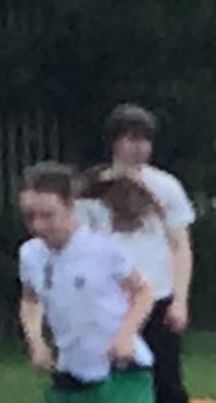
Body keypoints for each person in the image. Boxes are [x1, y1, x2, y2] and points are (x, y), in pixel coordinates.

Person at [91, 103, 202, 403]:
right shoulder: (94, 192)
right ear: (115, 142)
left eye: (146, 140)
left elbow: (180, 245)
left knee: (168, 385)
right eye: (131, 139)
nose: (140, 148)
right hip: (111, 304)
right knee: (111, 385)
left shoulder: (166, 187)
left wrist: (181, 300)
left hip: (158, 298)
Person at [18, 162, 157, 389]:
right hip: (70, 370)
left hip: (119, 369)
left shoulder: (103, 249)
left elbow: (143, 292)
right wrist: (36, 341)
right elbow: (30, 298)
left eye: (47, 216)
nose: (38, 226)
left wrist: (125, 335)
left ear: (69, 207)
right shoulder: (30, 254)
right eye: (30, 216)